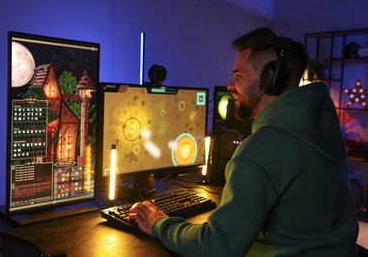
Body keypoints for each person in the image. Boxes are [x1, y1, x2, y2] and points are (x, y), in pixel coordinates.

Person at [129, 27, 359, 256]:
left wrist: (159, 223)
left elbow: (216, 247)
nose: (230, 84)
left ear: (270, 80)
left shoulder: (262, 149)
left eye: (239, 75)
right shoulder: (324, 127)